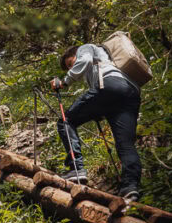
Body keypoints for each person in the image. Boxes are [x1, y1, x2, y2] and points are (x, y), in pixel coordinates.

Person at [51, 42, 142, 202]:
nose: (72, 69)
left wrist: (64, 82)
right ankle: (130, 188)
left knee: (66, 121)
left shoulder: (86, 48)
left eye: (71, 64)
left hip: (110, 85)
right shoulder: (105, 62)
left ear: (75, 53)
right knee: (125, 144)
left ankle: (76, 168)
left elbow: (84, 61)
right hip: (130, 91)